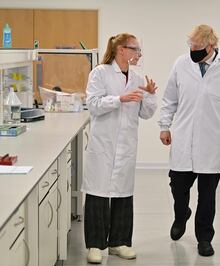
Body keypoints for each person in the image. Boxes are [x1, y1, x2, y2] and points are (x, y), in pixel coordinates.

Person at [158, 24, 220, 256]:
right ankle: (181, 215)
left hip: (213, 141)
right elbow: (170, 98)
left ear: (212, 46)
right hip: (184, 137)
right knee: (178, 186)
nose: (193, 50)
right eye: (190, 45)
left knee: (207, 195)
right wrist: (164, 126)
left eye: (197, 47)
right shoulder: (181, 64)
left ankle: (204, 238)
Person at [81, 33, 157, 264]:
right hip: (103, 145)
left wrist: (151, 95)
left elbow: (146, 113)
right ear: (121, 50)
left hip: (126, 146)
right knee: (98, 193)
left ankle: (119, 243)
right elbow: (92, 104)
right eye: (135, 49)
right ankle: (95, 245)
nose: (139, 54)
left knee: (123, 194)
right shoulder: (100, 73)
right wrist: (119, 99)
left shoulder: (136, 78)